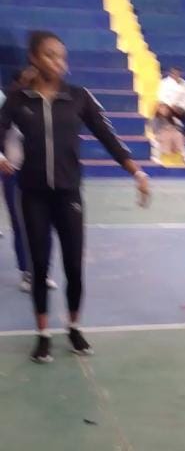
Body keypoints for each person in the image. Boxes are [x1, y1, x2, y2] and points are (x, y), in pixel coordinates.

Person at [0, 30, 150, 364]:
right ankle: (42, 334)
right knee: (40, 267)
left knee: (74, 266)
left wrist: (137, 172)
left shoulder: (78, 97)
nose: (59, 62)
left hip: (69, 195)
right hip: (33, 195)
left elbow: (107, 136)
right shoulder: (19, 99)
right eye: (50, 55)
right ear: (34, 58)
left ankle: (74, 327)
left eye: (62, 56)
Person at [1, 67, 57, 292]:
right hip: (14, 173)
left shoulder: (48, 108)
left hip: (42, 174)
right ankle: (27, 272)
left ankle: (43, 271)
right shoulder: (10, 106)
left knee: (46, 224)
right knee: (20, 223)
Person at [149, 103, 185, 169]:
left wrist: (172, 129)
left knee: (179, 136)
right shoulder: (155, 120)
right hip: (161, 137)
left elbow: (179, 128)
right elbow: (155, 131)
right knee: (159, 139)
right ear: (158, 110)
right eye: (162, 108)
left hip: (173, 137)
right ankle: (156, 157)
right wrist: (166, 129)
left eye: (166, 109)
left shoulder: (173, 119)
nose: (164, 110)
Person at [158, 66, 185, 142]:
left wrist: (182, 107)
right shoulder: (164, 83)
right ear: (171, 74)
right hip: (169, 107)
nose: (175, 75)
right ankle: (172, 126)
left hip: (181, 109)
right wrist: (172, 106)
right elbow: (161, 97)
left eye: (177, 73)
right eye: (174, 73)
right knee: (162, 109)